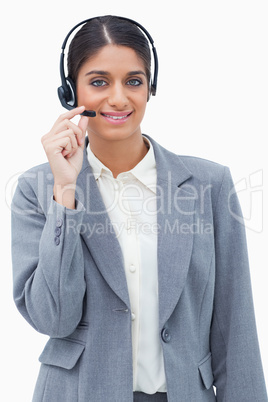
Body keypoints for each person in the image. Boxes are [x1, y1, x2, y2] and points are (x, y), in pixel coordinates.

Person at [11, 15, 267, 402]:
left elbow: (236, 327)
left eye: (133, 81)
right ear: (70, 93)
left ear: (150, 88)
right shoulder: (37, 189)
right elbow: (53, 318)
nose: (118, 98)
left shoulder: (209, 185)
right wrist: (65, 190)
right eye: (99, 82)